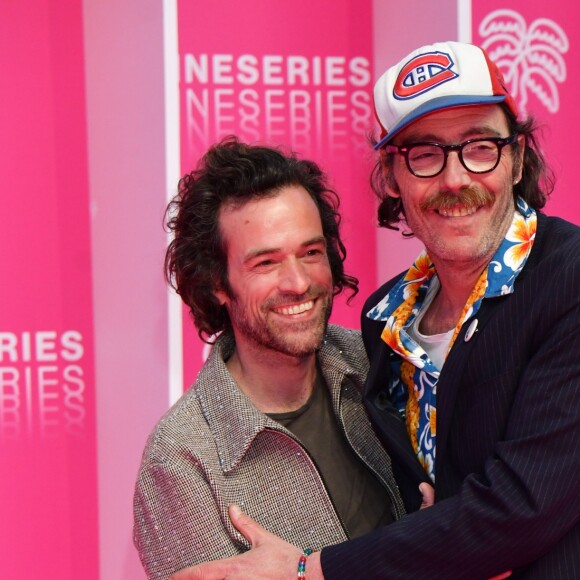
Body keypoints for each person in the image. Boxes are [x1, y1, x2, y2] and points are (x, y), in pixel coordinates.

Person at [170, 41, 580, 579]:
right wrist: (447, 548)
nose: (455, 179)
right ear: (392, 177)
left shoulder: (568, 280)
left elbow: (521, 507)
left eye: (480, 146)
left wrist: (309, 571)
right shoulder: (386, 322)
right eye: (425, 154)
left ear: (518, 156)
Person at [133, 137, 432, 579]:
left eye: (310, 253)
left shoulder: (380, 361)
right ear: (217, 282)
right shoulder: (182, 462)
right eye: (266, 263)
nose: (297, 282)